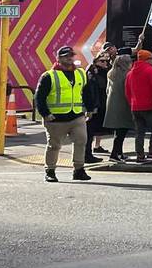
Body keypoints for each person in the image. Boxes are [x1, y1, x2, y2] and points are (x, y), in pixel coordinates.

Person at [37, 45, 93, 183]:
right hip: (56, 118)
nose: (69, 58)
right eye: (66, 56)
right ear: (59, 58)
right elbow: (39, 97)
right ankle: (50, 171)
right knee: (54, 146)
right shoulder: (49, 76)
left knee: (81, 141)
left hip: (77, 116)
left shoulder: (80, 73)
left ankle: (79, 170)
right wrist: (45, 113)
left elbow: (86, 92)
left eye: (71, 55)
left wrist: (90, 108)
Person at [126, 49, 152, 161]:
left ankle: (140, 154)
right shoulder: (151, 70)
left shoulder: (130, 73)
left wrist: (132, 103)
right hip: (150, 106)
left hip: (135, 107)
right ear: (147, 60)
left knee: (139, 132)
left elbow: (127, 92)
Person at [103, 52, 135, 161]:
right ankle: (114, 154)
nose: (131, 64)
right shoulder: (127, 74)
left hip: (112, 105)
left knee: (119, 131)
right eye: (130, 62)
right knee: (122, 132)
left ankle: (119, 153)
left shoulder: (111, 73)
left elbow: (107, 90)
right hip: (123, 105)